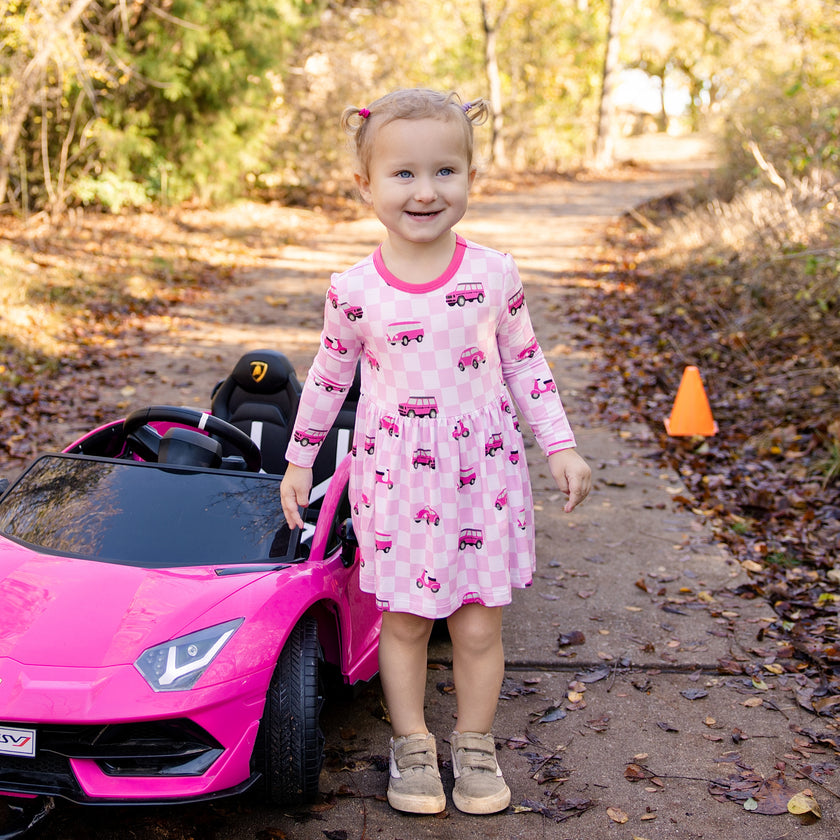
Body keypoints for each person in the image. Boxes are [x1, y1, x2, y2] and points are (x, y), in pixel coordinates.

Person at [280, 88, 591, 816]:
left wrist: (561, 444)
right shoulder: (354, 291)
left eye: (446, 172)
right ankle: (414, 743)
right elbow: (329, 377)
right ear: (366, 185)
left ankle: (475, 743)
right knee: (407, 620)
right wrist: (300, 459)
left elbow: (525, 364)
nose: (426, 192)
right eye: (404, 174)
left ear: (472, 178)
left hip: (483, 472)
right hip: (398, 481)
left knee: (480, 621)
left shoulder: (493, 275)